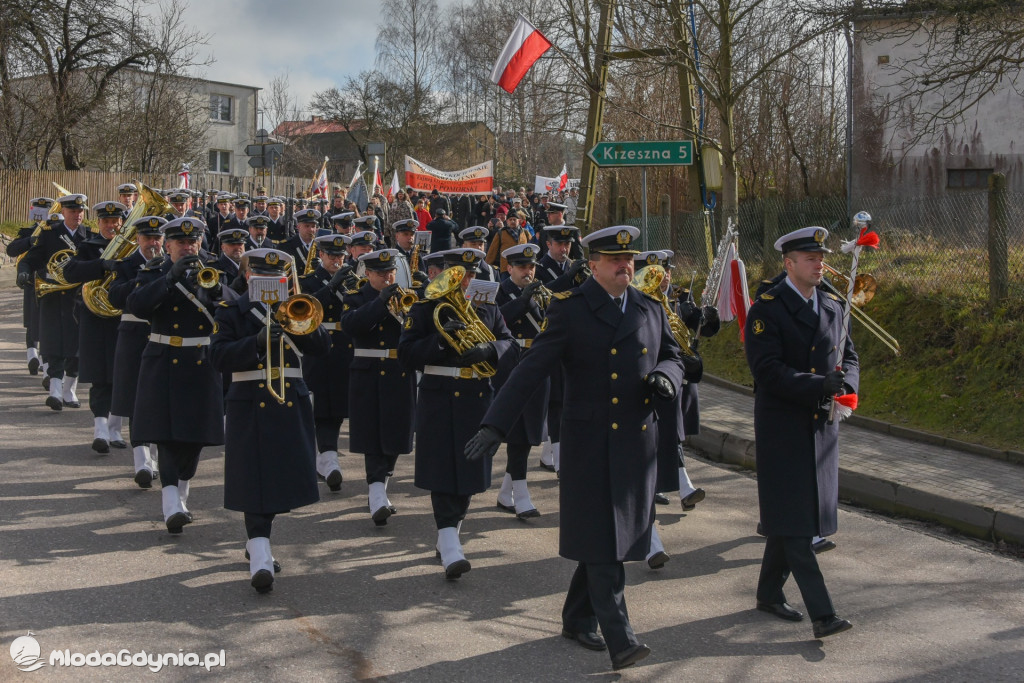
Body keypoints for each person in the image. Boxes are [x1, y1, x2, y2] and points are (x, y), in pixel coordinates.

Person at [465, 225, 683, 671]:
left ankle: (577, 615)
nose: (627, 267)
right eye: (616, 260)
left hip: (637, 443)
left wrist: (668, 376)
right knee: (605, 540)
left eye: (630, 260)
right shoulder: (570, 310)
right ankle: (621, 639)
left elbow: (674, 356)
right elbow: (531, 370)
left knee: (613, 537)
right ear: (594, 265)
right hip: (589, 443)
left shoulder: (649, 306)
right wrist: (494, 425)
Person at [743, 226, 858, 639]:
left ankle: (769, 592)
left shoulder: (832, 305)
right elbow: (767, 371)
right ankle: (823, 615)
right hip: (783, 426)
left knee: (790, 516)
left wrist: (848, 389)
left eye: (821, 257)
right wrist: (816, 385)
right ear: (789, 264)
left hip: (821, 426)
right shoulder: (767, 309)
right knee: (796, 524)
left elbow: (849, 355)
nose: (819, 264)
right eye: (810, 258)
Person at [211, 248, 329, 593]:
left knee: (278, 480)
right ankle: (260, 549)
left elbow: (322, 349)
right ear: (248, 277)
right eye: (260, 274)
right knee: (253, 480)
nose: (269, 281)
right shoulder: (232, 311)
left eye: (277, 276)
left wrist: (298, 316)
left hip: (289, 400)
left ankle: (258, 543)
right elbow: (217, 356)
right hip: (249, 402)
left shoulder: (295, 305)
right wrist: (256, 342)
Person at [398, 247, 517, 579]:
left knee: (468, 476)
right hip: (438, 398)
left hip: (477, 398)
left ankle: (448, 536)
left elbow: (511, 346)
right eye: (457, 274)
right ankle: (450, 541)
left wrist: (489, 349)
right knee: (442, 474)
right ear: (444, 273)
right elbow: (405, 355)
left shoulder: (487, 308)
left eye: (469, 275)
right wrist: (439, 340)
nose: (464, 281)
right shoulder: (425, 308)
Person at [126, 217, 225, 534]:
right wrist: (169, 279)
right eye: (181, 242)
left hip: (201, 360)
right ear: (167, 245)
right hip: (164, 358)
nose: (188, 247)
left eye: (193, 241)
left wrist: (217, 289)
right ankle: (171, 503)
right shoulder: (153, 271)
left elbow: (232, 306)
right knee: (167, 435)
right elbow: (137, 306)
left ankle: (181, 495)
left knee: (194, 437)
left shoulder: (215, 270)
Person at [340, 248, 417, 525]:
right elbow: (351, 326)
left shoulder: (408, 299)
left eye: (391, 272)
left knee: (396, 434)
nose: (388, 277)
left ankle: (380, 489)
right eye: (381, 273)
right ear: (368, 274)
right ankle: (375, 492)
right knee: (373, 436)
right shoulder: (355, 298)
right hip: (368, 372)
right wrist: (380, 303)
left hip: (399, 372)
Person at [62, 201, 128, 453]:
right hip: (94, 318)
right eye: (106, 222)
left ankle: (115, 429)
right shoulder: (88, 246)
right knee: (100, 376)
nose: (111, 226)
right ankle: (100, 429)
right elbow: (70, 272)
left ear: (122, 223)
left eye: (115, 222)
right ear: (98, 223)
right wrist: (101, 264)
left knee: (120, 376)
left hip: (123, 318)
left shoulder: (130, 248)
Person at [17, 193, 90, 410]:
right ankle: (55, 392)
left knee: (76, 349)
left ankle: (69, 390)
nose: (77, 215)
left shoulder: (90, 237)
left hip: (78, 300)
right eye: (72, 211)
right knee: (53, 346)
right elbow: (31, 259)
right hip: (53, 298)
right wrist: (23, 271)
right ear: (63, 212)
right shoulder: (50, 235)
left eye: (80, 211)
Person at [492, 243, 549, 519]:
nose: (529, 271)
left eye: (532, 266)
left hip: (537, 363)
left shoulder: (539, 292)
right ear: (509, 268)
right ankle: (521, 493)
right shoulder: (499, 292)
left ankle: (506, 492)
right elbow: (497, 320)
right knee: (517, 432)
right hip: (512, 364)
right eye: (523, 267)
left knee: (529, 432)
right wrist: (523, 300)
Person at [108, 216, 166, 488]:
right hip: (133, 337)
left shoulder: (173, 264)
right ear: (138, 239)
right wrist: (142, 280)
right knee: (134, 399)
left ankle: (154, 456)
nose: (153, 243)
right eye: (148, 238)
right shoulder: (126, 265)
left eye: (157, 238)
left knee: (159, 399)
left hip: (164, 337)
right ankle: (141, 459)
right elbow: (114, 296)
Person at [298, 235, 354, 492]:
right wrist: (330, 288)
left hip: (345, 348)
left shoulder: (352, 281)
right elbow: (304, 308)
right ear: (320, 255)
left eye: (340, 255)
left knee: (339, 406)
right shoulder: (308, 280)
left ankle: (327, 456)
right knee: (320, 406)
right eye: (331, 255)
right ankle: (328, 457)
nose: (336, 259)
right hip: (318, 348)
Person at [6, 197, 50, 376]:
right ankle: (32, 354)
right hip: (32, 281)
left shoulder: (55, 232)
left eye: (45, 210)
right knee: (32, 320)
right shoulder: (27, 232)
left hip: (51, 281)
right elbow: (11, 250)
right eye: (38, 211)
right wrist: (30, 240)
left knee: (49, 323)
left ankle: (44, 361)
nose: (41, 215)